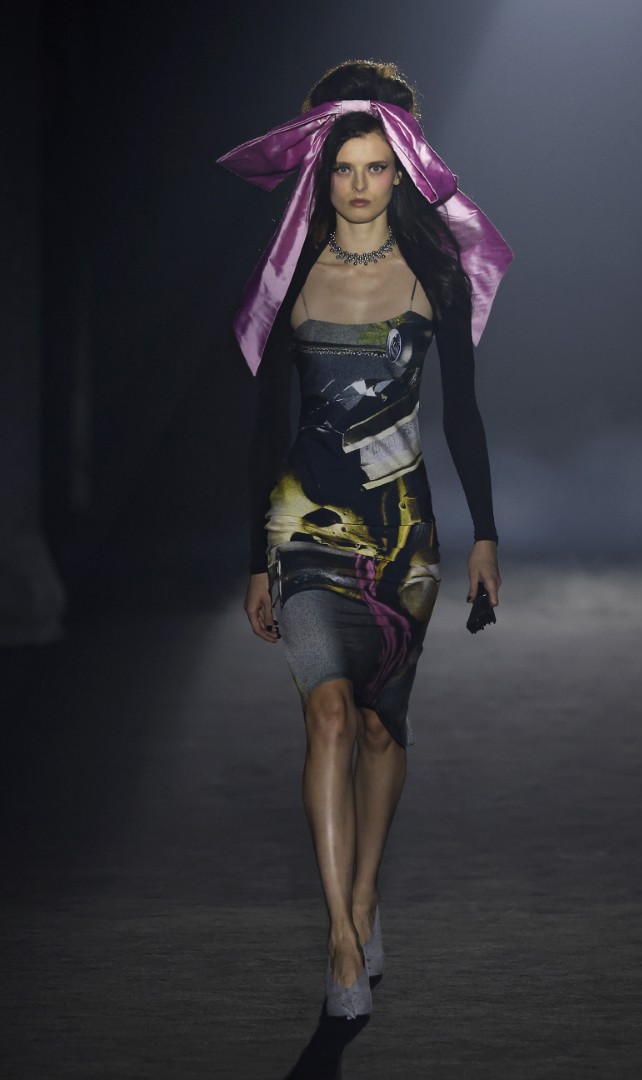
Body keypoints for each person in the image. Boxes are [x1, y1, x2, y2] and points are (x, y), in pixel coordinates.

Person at [217, 60, 512, 1020]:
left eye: (376, 166)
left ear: (401, 171)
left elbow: (462, 416)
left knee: (382, 724)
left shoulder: (436, 278)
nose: (358, 183)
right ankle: (342, 939)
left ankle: (368, 890)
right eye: (343, 166)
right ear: (322, 171)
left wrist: (485, 535)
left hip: (404, 537)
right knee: (331, 718)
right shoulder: (290, 280)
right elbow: (265, 428)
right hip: (303, 527)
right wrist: (255, 558)